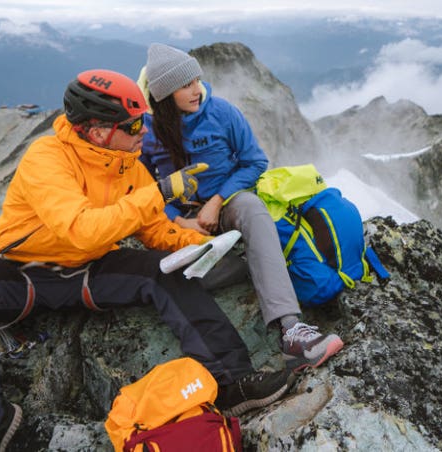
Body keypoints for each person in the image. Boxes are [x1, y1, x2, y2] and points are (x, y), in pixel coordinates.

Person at [0, 69, 295, 451]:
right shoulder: (47, 157)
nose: (144, 133)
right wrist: (162, 192)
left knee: (165, 272)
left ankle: (233, 382)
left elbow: (153, 231)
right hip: (26, 271)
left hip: (92, 269)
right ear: (100, 130)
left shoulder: (128, 165)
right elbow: (80, 228)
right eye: (134, 125)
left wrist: (199, 244)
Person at [137, 43, 344, 374]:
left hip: (228, 203)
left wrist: (218, 201)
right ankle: (248, 265)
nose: (196, 90)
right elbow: (142, 191)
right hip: (182, 224)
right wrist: (180, 222)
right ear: (163, 94)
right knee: (169, 276)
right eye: (184, 85)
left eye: (196, 81)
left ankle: (291, 329)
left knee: (252, 208)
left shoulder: (222, 113)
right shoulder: (147, 133)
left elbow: (254, 161)